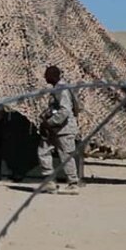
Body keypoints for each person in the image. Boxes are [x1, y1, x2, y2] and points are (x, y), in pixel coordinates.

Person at [37, 65, 80, 194]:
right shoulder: (57, 89)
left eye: (47, 75)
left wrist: (50, 123)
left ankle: (73, 184)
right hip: (55, 129)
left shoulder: (62, 90)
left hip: (64, 129)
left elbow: (65, 111)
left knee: (66, 155)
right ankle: (49, 181)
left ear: (53, 76)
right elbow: (56, 108)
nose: (45, 77)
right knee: (43, 150)